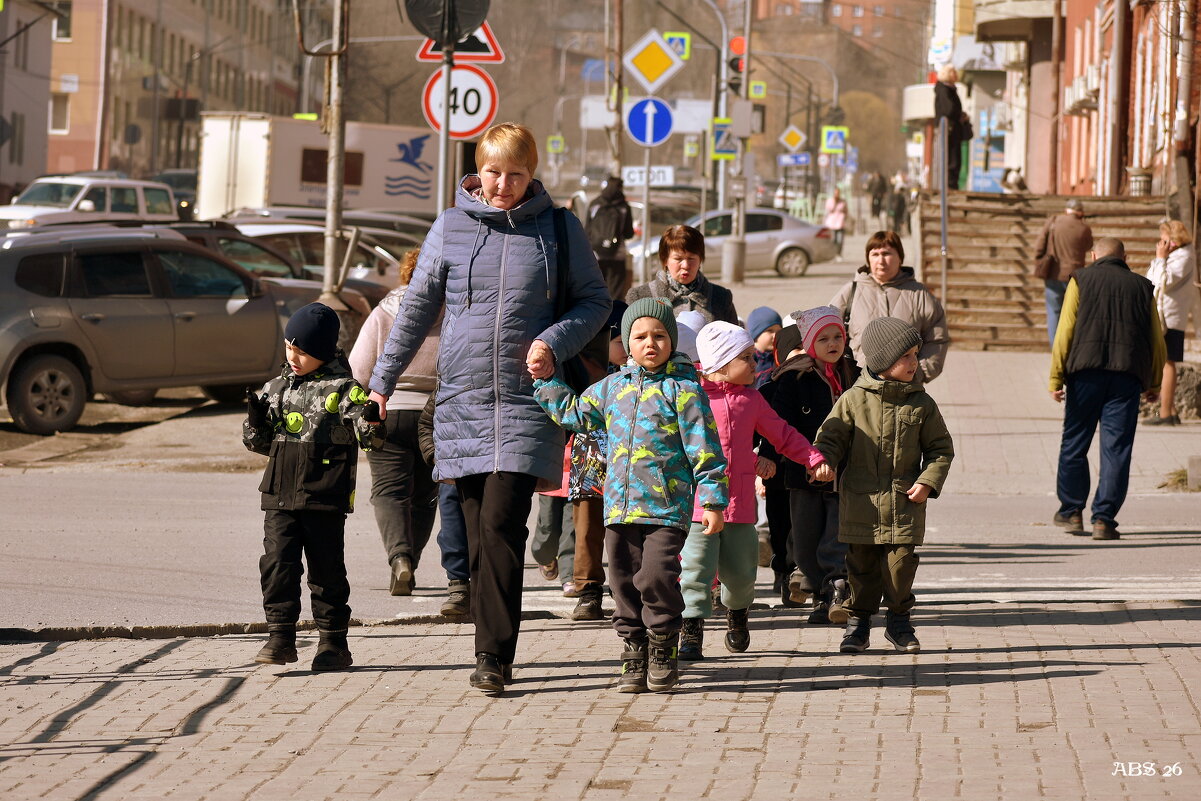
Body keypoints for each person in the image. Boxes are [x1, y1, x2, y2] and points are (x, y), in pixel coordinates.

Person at [368, 122, 611, 694]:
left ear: (532, 176)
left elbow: (594, 301)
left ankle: (494, 657)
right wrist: (381, 382)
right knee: (478, 536)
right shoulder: (450, 227)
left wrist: (554, 341)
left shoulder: (558, 227)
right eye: (495, 172)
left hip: (528, 400)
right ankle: (489, 635)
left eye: (517, 174)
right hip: (463, 401)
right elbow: (416, 310)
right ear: (480, 169)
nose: (504, 185)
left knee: (502, 524)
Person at [534, 298, 729, 693]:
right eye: (640, 336)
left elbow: (705, 450)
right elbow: (573, 412)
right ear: (626, 343)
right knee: (622, 580)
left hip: (666, 508)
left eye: (659, 335)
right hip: (619, 509)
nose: (650, 343)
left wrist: (712, 501)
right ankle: (634, 651)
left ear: (672, 341)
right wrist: (544, 380)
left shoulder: (684, 390)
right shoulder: (610, 388)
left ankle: (662, 644)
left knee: (657, 575)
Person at [678, 322, 831, 661]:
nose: (754, 363)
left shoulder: (753, 400)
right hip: (699, 506)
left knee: (741, 571)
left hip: (740, 505)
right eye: (745, 357)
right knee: (695, 570)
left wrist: (812, 457)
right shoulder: (692, 397)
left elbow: (783, 434)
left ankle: (737, 616)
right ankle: (691, 629)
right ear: (720, 364)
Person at [243, 303, 382, 671]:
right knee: (277, 564)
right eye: (289, 346)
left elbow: (368, 439)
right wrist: (255, 423)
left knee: (326, 570)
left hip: (324, 493)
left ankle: (333, 642)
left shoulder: (345, 389)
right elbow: (258, 444)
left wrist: (371, 420)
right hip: (280, 493)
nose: (293, 356)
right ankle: (280, 637)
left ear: (321, 351)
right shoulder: (276, 387)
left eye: (301, 350)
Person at [814, 317, 954, 655]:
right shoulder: (852, 400)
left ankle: (899, 622)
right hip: (860, 502)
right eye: (905, 356)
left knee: (901, 566)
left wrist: (926, 482)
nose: (913, 363)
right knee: (860, 568)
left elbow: (940, 449)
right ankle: (857, 624)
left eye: (915, 355)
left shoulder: (922, 403)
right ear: (881, 361)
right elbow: (830, 437)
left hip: (904, 502)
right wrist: (824, 461)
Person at [1049, 238, 1166, 540]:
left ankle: (1072, 512)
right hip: (1126, 376)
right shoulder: (1143, 287)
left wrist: (1056, 378)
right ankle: (1103, 519)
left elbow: (1065, 331)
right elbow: (1156, 340)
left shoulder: (1081, 279)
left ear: (1093, 255)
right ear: (1125, 257)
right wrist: (1154, 383)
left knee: (1075, 442)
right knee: (1116, 449)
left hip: (1084, 374)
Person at [349, 249, 439, 597]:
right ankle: (411, 560)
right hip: (436, 416)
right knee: (425, 495)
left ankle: (399, 558)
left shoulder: (385, 311)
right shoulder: (455, 311)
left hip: (387, 408)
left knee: (388, 492)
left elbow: (359, 367)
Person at [759, 306, 856, 625]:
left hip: (843, 474)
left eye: (837, 337)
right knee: (804, 540)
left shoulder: (854, 376)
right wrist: (769, 457)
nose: (832, 343)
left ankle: (836, 592)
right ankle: (817, 592)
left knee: (836, 535)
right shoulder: (793, 377)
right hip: (801, 474)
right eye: (823, 338)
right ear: (810, 343)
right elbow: (778, 424)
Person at [566, 300, 629, 622]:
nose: (624, 348)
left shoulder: (639, 375)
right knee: (587, 529)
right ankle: (588, 591)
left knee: (627, 530)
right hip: (590, 461)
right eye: (617, 341)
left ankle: (627, 590)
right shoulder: (583, 368)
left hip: (630, 467)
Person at [830, 230, 950, 386]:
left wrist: (918, 372)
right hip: (859, 386)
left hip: (906, 391)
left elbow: (937, 339)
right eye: (875, 254)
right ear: (867, 259)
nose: (881, 261)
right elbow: (826, 333)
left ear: (900, 257)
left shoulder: (919, 294)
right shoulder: (850, 292)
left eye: (886, 254)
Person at [626, 224, 739, 325]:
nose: (685, 265)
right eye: (678, 259)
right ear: (665, 260)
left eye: (691, 258)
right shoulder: (640, 296)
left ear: (700, 260)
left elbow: (735, 342)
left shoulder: (721, 297)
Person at [1143, 220, 1197, 425]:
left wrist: (1159, 259)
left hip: (1170, 316)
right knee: (1167, 362)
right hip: (1167, 314)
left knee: (1168, 363)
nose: (1161, 243)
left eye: (1164, 238)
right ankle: (1171, 410)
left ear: (1173, 240)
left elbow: (1162, 280)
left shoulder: (1184, 257)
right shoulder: (1177, 256)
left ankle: (1164, 412)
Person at [1034, 198, 1094, 347]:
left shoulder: (1053, 221)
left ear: (1066, 210)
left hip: (1054, 272)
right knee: (1073, 312)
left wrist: (1039, 259)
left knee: (1054, 311)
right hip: (1075, 275)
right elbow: (1089, 245)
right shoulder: (1084, 228)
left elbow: (1039, 245)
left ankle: (1056, 348)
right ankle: (1071, 347)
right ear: (1080, 212)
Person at [585, 176, 635, 299]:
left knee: (596, 288)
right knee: (615, 291)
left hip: (596, 253)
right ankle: (613, 316)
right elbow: (629, 233)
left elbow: (587, 229)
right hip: (617, 255)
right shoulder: (624, 206)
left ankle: (597, 315)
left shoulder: (595, 204)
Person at [933, 64, 967, 189]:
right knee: (951, 159)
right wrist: (958, 115)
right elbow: (949, 109)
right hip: (949, 130)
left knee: (955, 159)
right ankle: (950, 186)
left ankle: (952, 185)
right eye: (953, 72)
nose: (955, 74)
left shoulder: (950, 89)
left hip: (952, 129)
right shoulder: (944, 90)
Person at [746, 306, 782, 388]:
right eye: (770, 331)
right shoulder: (747, 361)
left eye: (779, 331)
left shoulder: (781, 358)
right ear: (755, 335)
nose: (775, 335)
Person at [823, 187, 848, 259]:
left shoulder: (843, 201)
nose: (837, 195)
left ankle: (838, 254)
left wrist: (844, 217)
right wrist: (835, 202)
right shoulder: (830, 201)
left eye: (838, 193)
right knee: (833, 240)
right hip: (831, 224)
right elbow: (829, 209)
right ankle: (832, 254)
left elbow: (846, 211)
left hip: (840, 223)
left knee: (840, 241)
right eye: (835, 193)